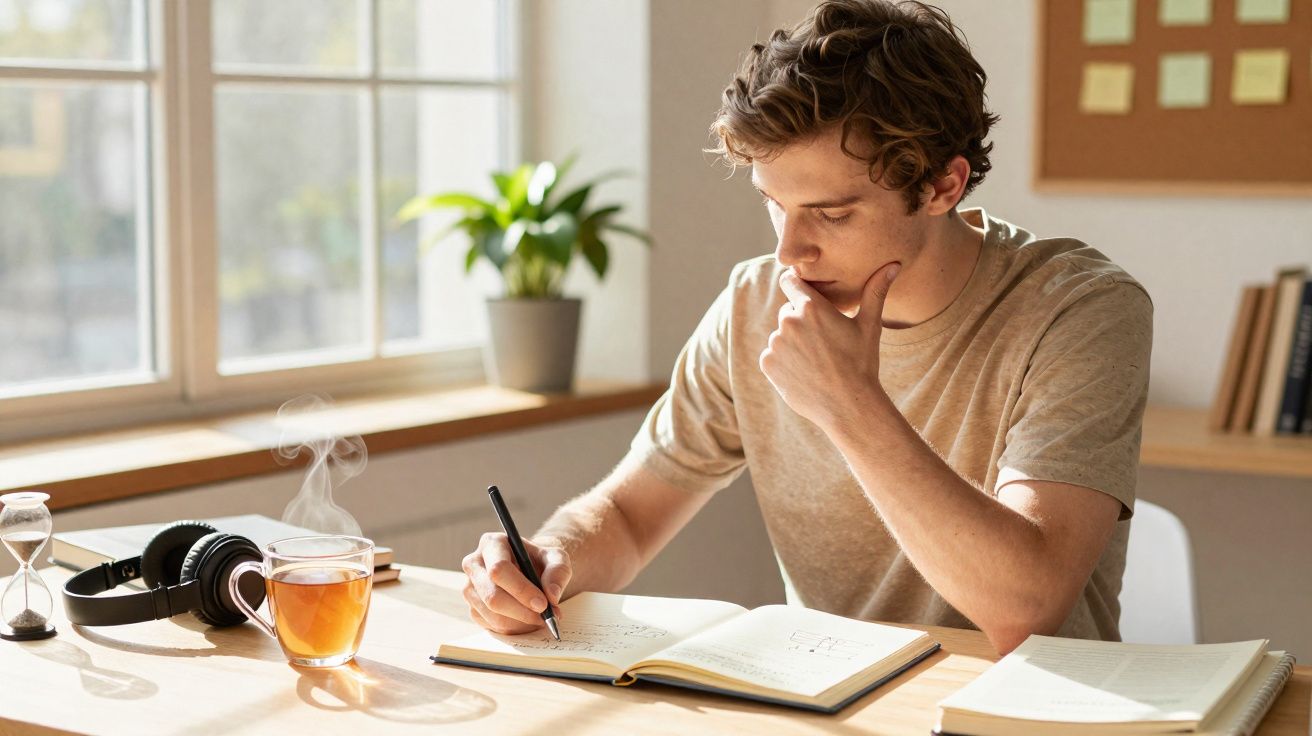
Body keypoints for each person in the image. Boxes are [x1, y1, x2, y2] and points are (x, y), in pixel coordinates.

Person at [460, 0, 1152, 655]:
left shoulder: (1078, 309)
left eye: (833, 214)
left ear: (943, 186)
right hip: (836, 704)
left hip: (1026, 712)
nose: (790, 252)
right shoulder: (755, 303)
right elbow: (630, 516)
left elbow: (1025, 607)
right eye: (774, 205)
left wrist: (850, 402)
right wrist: (548, 561)